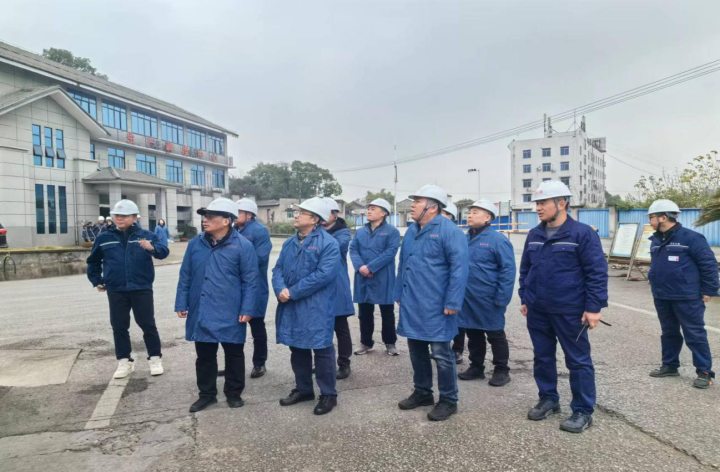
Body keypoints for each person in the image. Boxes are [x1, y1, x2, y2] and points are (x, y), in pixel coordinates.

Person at [519, 180, 608, 433]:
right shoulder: (534, 234)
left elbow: (596, 272)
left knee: (578, 361)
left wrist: (593, 307)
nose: (538, 208)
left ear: (561, 203)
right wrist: (525, 297)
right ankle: (549, 399)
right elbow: (526, 269)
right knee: (542, 357)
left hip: (570, 310)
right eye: (537, 203)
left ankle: (583, 410)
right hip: (538, 309)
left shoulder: (582, 233)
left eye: (543, 203)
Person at [175, 198, 259, 412]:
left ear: (226, 220)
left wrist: (248, 308)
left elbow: (251, 281)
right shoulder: (196, 243)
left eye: (211, 216)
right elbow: (185, 275)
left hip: (231, 309)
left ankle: (234, 393)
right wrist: (181, 302)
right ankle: (207, 394)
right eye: (205, 216)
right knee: (204, 355)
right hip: (202, 307)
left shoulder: (243, 246)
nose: (205, 220)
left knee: (234, 353)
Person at [395, 185, 468, 422]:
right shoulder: (412, 230)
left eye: (418, 201)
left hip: (438, 303)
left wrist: (453, 300)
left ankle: (448, 399)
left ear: (433, 207)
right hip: (413, 301)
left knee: (441, 353)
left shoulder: (450, 231)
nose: (413, 205)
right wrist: (398, 291)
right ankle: (423, 392)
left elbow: (459, 268)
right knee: (416, 349)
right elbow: (403, 263)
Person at [86, 199, 169, 379]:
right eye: (117, 215)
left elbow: (163, 252)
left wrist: (151, 248)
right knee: (119, 326)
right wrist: (97, 280)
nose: (119, 218)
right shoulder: (104, 237)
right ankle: (124, 361)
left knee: (147, 324)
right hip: (116, 289)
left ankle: (155, 358)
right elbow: (93, 261)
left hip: (141, 287)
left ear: (135, 217)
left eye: (124, 216)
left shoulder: (146, 235)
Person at [273, 197, 341, 415]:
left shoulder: (329, 243)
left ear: (315, 219)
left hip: (316, 305)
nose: (296, 215)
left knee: (321, 348)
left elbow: (324, 275)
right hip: (291, 304)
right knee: (297, 347)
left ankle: (328, 394)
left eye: (302, 213)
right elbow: (278, 269)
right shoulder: (289, 243)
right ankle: (303, 389)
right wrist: (280, 289)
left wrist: (292, 292)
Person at [646, 199, 719, 388]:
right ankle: (670, 366)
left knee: (694, 334)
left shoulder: (691, 238)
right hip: (662, 295)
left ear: (664, 217)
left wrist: (709, 290)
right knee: (669, 332)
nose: (649, 220)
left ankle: (704, 372)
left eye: (651, 217)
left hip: (687, 296)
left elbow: (708, 264)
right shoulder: (656, 240)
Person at [457, 199, 516, 386]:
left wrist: (502, 297)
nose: (470, 215)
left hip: (489, 297)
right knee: (473, 333)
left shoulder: (498, 240)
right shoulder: (463, 239)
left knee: (495, 334)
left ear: (488, 217)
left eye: (475, 212)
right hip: (467, 296)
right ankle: (476, 367)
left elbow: (508, 270)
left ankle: (501, 370)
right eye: (469, 212)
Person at [350, 199, 401, 356]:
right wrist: (361, 267)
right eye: (368, 208)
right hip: (363, 276)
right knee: (364, 311)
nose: (369, 211)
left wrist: (370, 267)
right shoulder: (360, 232)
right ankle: (366, 342)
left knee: (387, 311)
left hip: (382, 276)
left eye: (373, 208)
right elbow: (353, 250)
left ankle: (390, 342)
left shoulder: (392, 231)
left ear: (383, 213)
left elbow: (390, 252)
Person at [230, 198, 272, 379]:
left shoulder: (260, 231)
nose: (235, 215)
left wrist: (234, 262)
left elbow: (260, 258)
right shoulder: (231, 230)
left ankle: (259, 363)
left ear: (249, 215)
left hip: (254, 286)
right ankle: (233, 364)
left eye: (239, 212)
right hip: (234, 286)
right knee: (231, 328)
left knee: (257, 327)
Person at [321, 197, 355, 379]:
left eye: (325, 213)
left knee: (340, 326)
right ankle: (323, 362)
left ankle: (344, 362)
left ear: (335, 215)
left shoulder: (343, 233)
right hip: (318, 286)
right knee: (320, 327)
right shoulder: (316, 231)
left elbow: (334, 247)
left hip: (337, 285)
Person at [441, 203, 467, 364]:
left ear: (449, 216)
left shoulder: (456, 234)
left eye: (442, 213)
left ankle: (457, 350)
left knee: (458, 319)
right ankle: (443, 348)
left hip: (460, 284)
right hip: (445, 285)